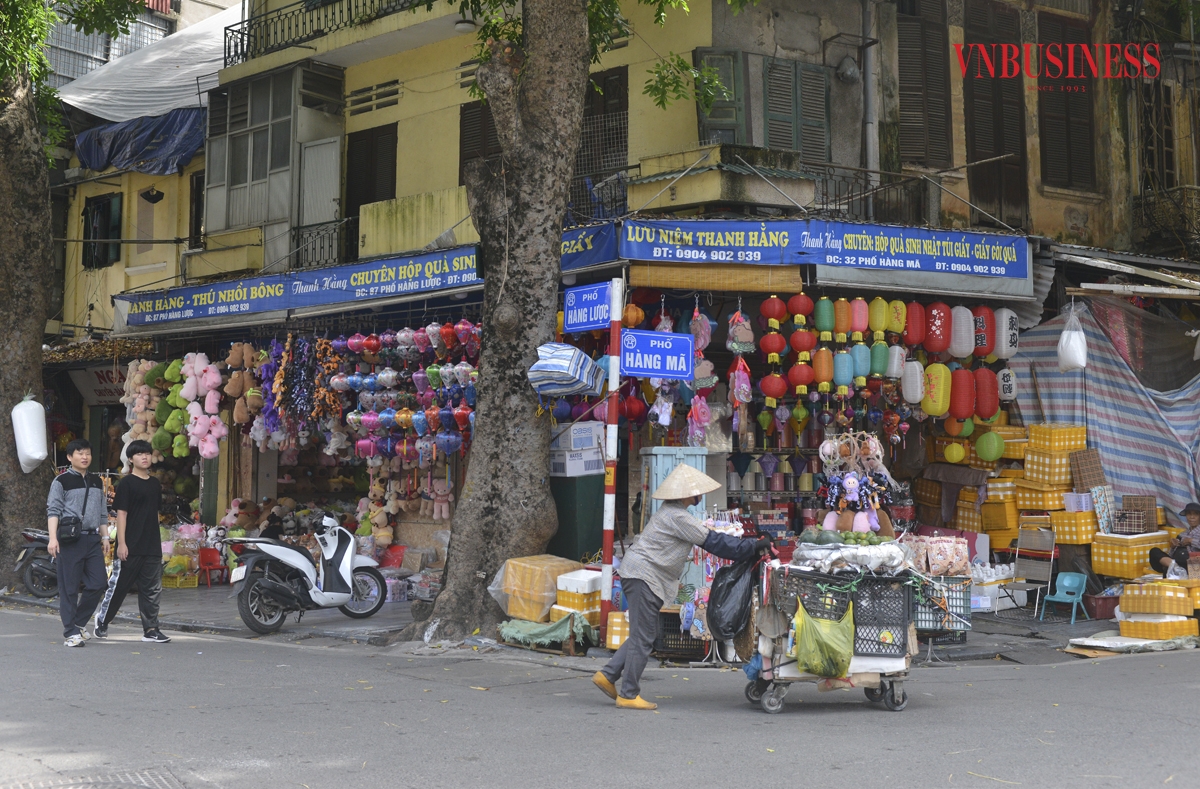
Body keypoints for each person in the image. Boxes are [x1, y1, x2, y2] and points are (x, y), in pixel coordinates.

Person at [594, 464, 770, 710]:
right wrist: (752, 546)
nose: (700, 495)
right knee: (644, 636)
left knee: (645, 634)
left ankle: (608, 674)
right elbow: (714, 542)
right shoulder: (677, 516)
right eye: (697, 491)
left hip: (641, 575)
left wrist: (750, 545)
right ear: (688, 494)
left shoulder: (672, 513)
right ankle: (628, 693)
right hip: (645, 576)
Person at [94, 440, 170, 643]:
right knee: (119, 586)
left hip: (151, 546)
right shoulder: (126, 483)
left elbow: (154, 513)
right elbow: (122, 514)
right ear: (130, 459)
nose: (144, 457)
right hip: (130, 545)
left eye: (147, 453)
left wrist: (158, 540)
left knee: (152, 590)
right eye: (139, 454)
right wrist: (122, 543)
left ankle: (151, 629)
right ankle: (102, 621)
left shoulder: (154, 484)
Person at [46, 439, 109, 647]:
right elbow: (53, 510)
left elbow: (102, 512)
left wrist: (106, 537)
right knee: (70, 587)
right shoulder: (61, 481)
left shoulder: (96, 481)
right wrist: (53, 538)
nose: (85, 457)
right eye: (80, 453)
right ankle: (70, 631)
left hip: (92, 539)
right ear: (69, 457)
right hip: (70, 539)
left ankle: (79, 623)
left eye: (88, 453)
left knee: (99, 583)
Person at [1149, 502, 1200, 579]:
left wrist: (1191, 541)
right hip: (1177, 562)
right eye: (1189, 514)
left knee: (1183, 555)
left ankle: (1175, 569)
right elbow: (1171, 555)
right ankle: (1175, 567)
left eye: (1195, 514)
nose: (1192, 517)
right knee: (1154, 551)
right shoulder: (1182, 534)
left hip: (1194, 565)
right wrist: (1173, 547)